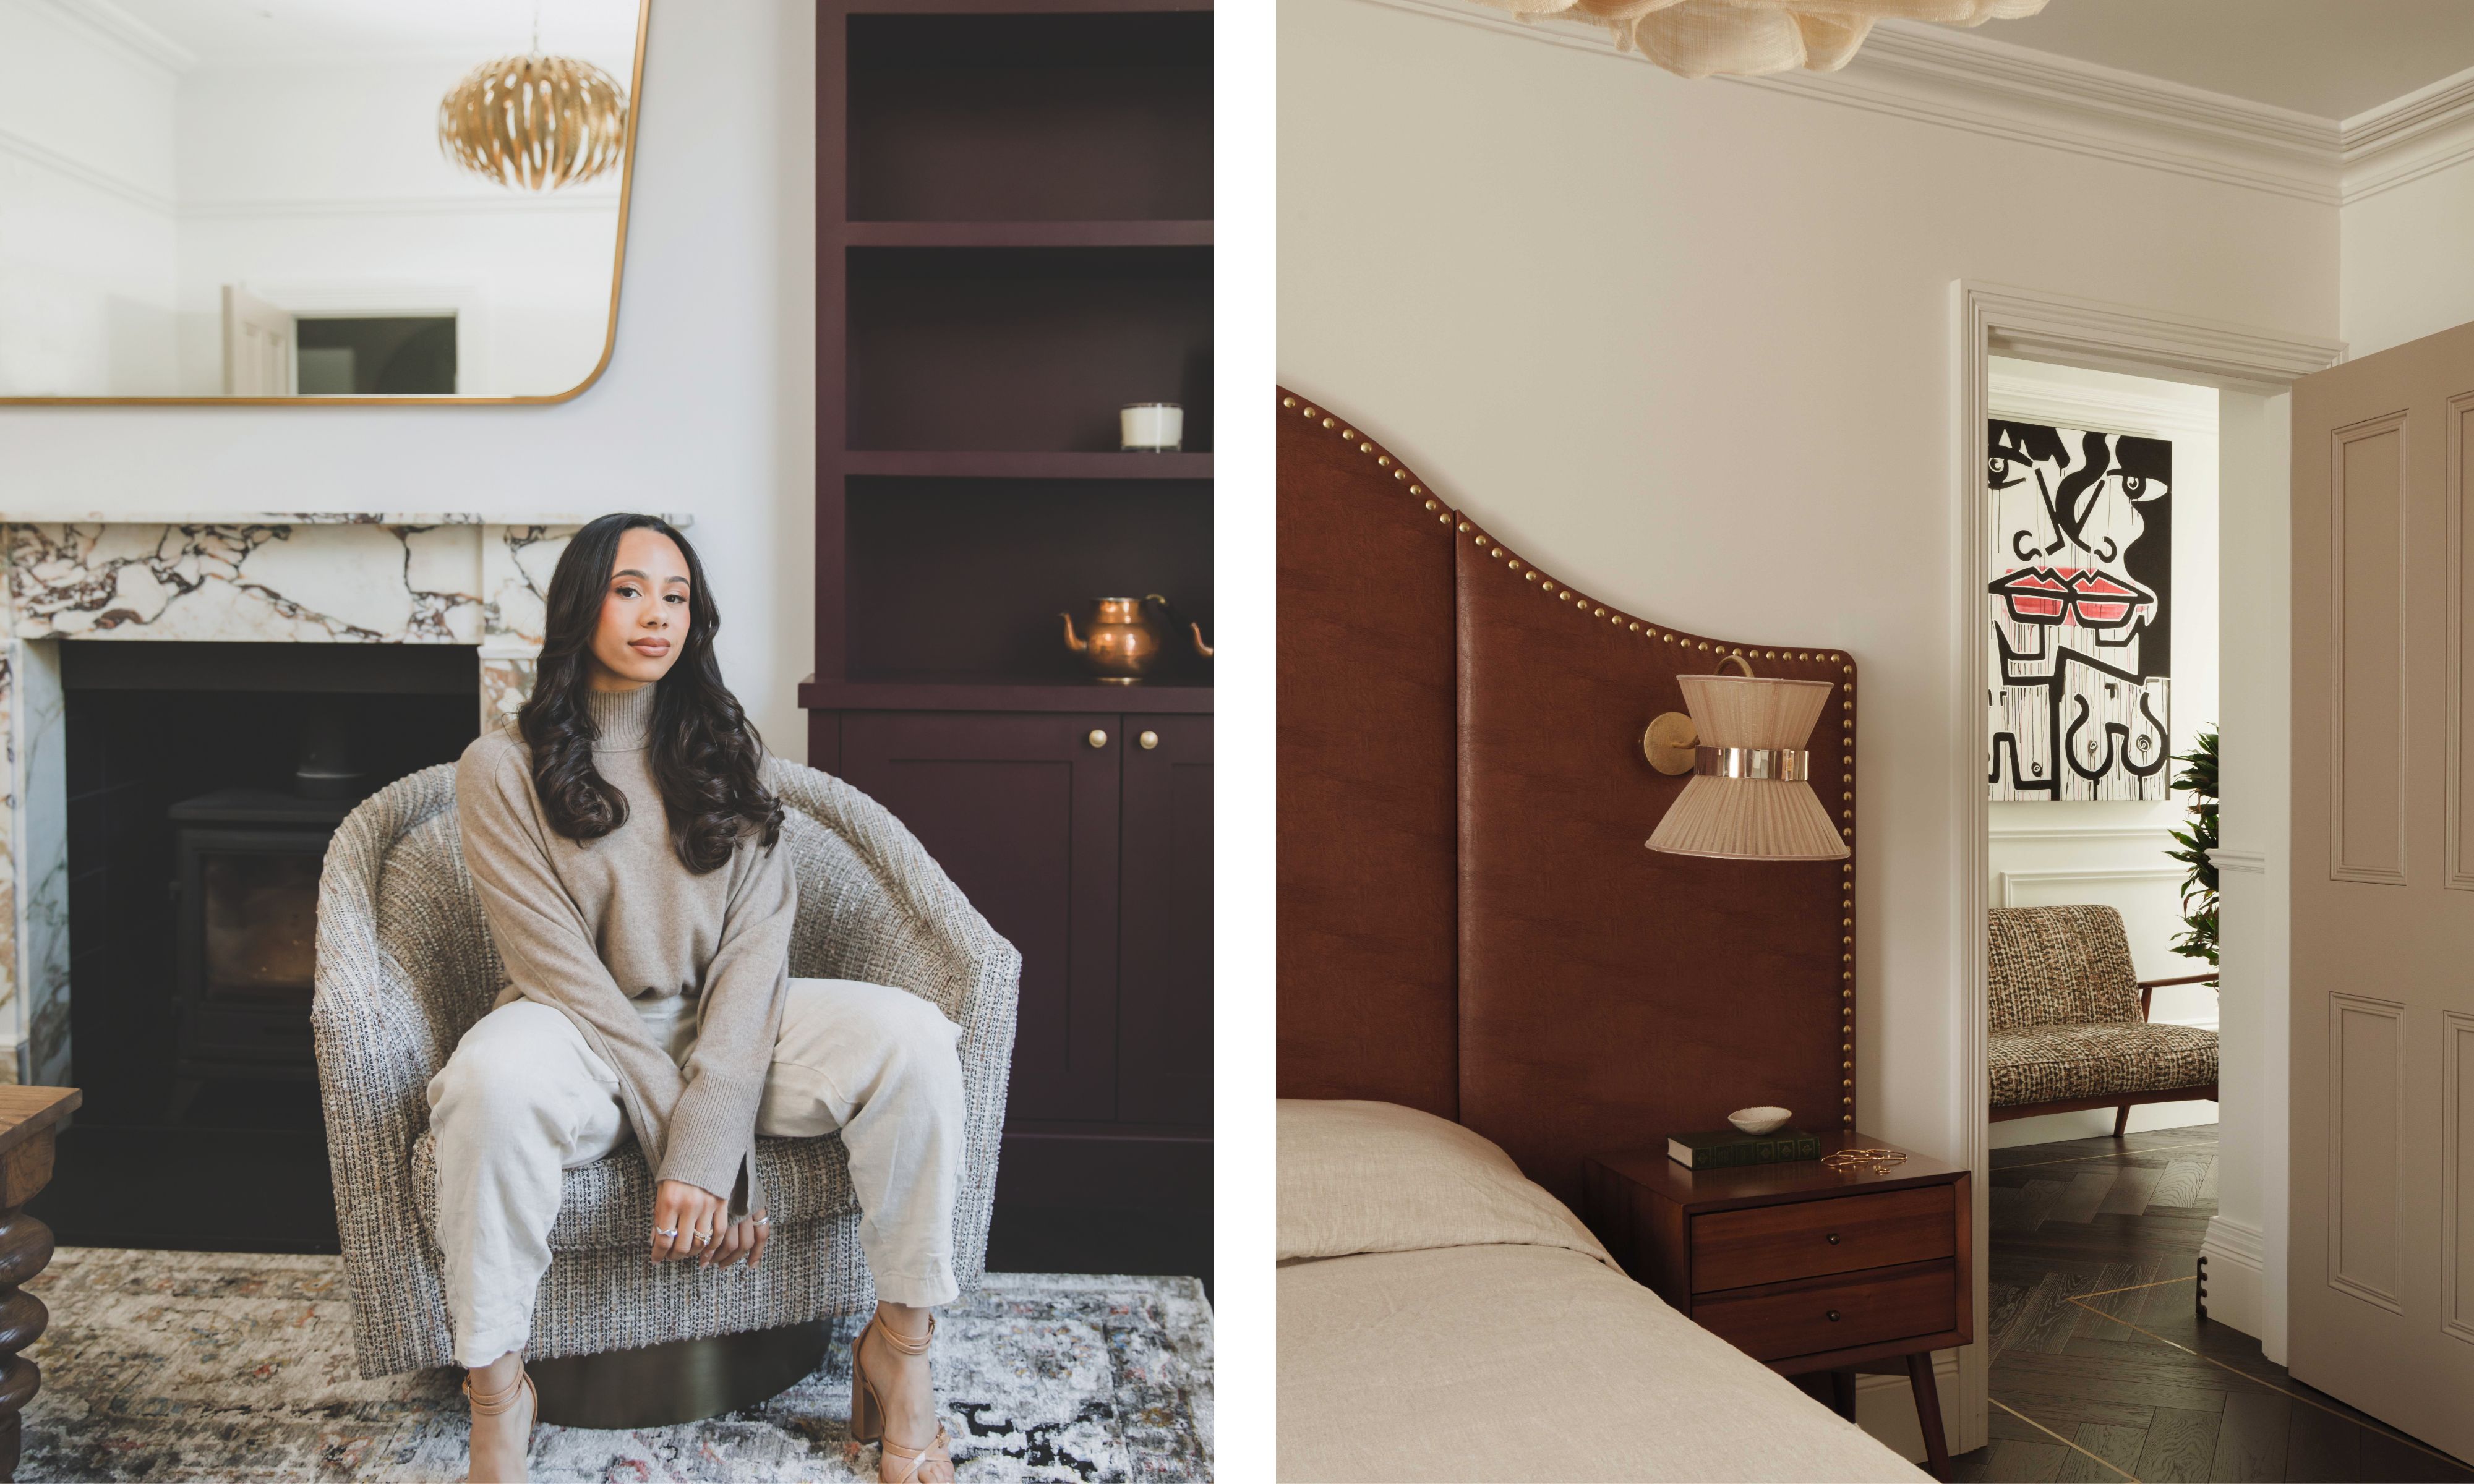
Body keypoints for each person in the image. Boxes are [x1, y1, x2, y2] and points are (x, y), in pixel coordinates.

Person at [429, 512, 964, 1483]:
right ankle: (499, 1389)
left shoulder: (725, 754)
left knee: (916, 1039)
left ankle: (903, 1347)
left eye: (676, 597)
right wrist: (706, 1149)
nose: (656, 616)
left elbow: (758, 957)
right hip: (576, 1030)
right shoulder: (500, 770)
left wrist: (715, 1133)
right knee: (486, 1088)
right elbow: (558, 970)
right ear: (579, 605)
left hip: (735, 1024)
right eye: (630, 591)